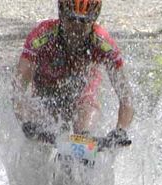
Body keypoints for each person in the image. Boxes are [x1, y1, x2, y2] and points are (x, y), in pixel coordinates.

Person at [12, 0, 134, 143]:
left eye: (83, 22)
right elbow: (18, 89)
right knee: (41, 126)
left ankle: (83, 143)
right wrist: (27, 122)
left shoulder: (103, 43)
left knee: (84, 126)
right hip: (45, 94)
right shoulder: (42, 35)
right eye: (71, 19)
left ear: (93, 20)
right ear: (61, 15)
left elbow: (126, 98)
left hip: (83, 96)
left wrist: (121, 130)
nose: (76, 27)